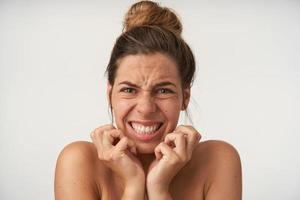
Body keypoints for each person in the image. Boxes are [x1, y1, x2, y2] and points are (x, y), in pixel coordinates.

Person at [54, 1, 242, 199]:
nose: (145, 108)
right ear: (110, 95)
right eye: (129, 89)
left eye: (163, 90)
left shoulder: (217, 160)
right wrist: (134, 184)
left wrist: (158, 188)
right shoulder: (78, 162)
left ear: (185, 97)